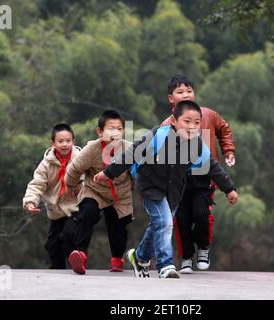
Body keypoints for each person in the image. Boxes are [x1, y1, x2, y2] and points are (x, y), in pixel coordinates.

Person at [94, 100, 238, 278]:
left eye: (197, 123)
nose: (192, 127)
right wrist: (108, 173)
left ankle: (140, 257)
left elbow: (212, 166)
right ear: (174, 122)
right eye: (187, 121)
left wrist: (229, 189)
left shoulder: (196, 145)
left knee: (158, 225)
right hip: (151, 187)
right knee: (165, 223)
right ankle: (165, 265)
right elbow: (132, 153)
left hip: (174, 191)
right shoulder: (158, 135)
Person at [161, 74, 236, 273]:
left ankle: (203, 247)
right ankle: (186, 257)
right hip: (179, 183)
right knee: (181, 218)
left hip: (205, 178)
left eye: (189, 91)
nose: (186, 94)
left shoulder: (208, 115)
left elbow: (224, 129)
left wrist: (228, 150)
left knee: (202, 214)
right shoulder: (166, 125)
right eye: (180, 92)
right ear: (171, 98)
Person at [63, 110, 133, 274]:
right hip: (94, 190)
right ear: (100, 132)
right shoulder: (91, 149)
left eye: (119, 129)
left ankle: (117, 260)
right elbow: (73, 170)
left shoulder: (129, 149)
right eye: (110, 128)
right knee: (87, 213)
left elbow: (141, 169)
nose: (115, 133)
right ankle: (80, 254)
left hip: (120, 195)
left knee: (118, 226)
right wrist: (73, 186)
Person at [23, 123, 82, 269]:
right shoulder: (46, 165)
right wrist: (30, 202)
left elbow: (89, 176)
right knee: (52, 245)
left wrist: (81, 185)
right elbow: (37, 184)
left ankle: (77, 265)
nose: (64, 144)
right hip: (56, 211)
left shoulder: (81, 158)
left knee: (69, 236)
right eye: (60, 141)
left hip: (76, 208)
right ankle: (57, 270)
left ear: (73, 142)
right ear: (53, 143)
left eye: (68, 141)